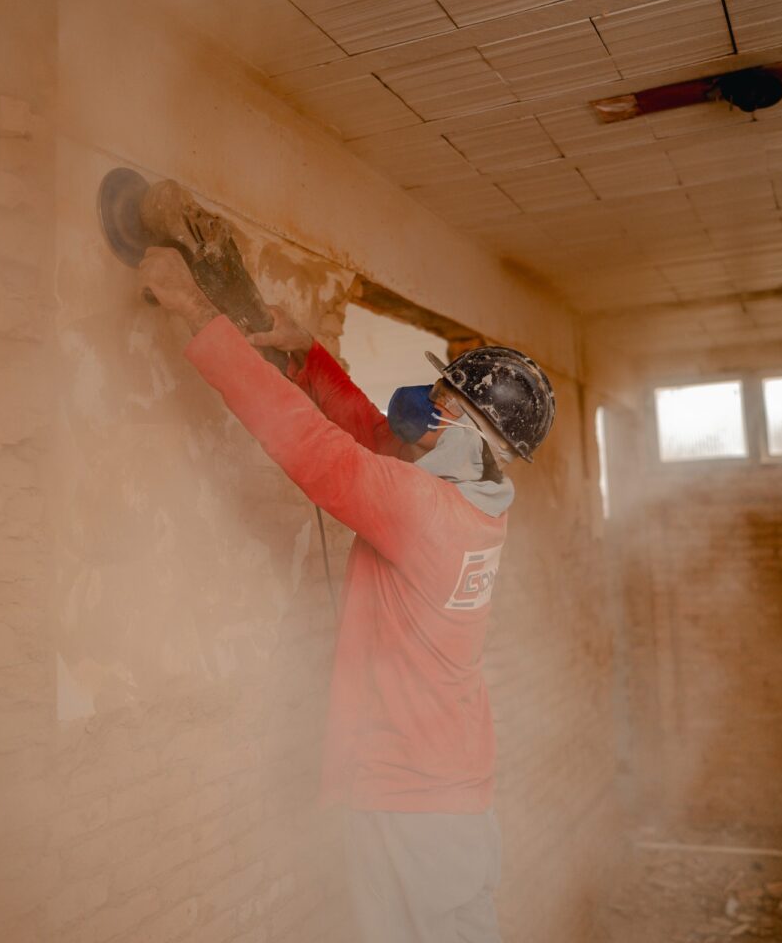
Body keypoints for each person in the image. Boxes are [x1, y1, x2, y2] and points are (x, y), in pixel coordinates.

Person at [138, 246, 555, 943]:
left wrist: (194, 311)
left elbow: (316, 450)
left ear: (471, 432)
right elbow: (372, 443)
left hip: (410, 806)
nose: (427, 411)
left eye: (443, 402)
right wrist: (309, 358)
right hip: (444, 798)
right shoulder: (474, 503)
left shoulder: (425, 511)